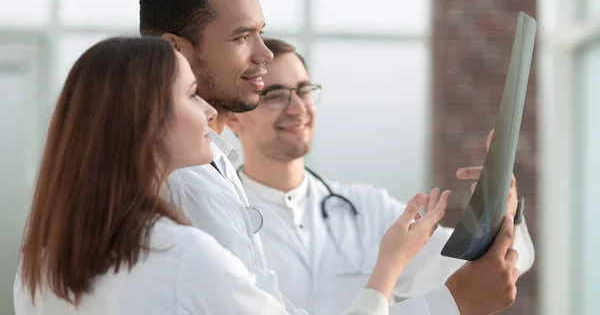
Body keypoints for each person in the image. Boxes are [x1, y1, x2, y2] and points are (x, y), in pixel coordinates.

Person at [139, 0, 523, 314]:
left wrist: (497, 217)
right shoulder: (183, 184)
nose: (264, 55)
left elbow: (470, 266)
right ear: (175, 50)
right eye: (242, 37)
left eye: (304, 91)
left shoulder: (215, 172)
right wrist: (440, 295)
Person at [12, 36, 450, 315]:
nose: (209, 110)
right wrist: (389, 266)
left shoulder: (43, 265)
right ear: (147, 121)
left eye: (303, 91)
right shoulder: (184, 256)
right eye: (191, 95)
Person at [226, 37, 536, 315]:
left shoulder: (367, 208)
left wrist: (499, 212)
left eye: (304, 91)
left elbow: (475, 274)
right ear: (234, 118)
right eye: (275, 95)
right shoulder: (224, 218)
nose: (297, 108)